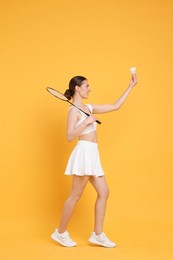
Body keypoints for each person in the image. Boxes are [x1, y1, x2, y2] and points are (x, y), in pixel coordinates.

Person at [51, 73, 138, 248]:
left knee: (104, 192)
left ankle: (97, 235)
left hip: (93, 154)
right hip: (83, 153)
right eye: (87, 86)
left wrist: (131, 86)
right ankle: (60, 232)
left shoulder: (88, 107)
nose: (90, 89)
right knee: (75, 195)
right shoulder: (73, 111)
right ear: (77, 88)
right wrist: (86, 122)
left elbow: (115, 106)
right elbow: (69, 136)